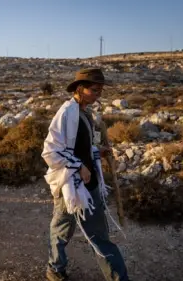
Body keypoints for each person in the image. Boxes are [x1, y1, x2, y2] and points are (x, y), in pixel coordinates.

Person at [41, 68, 129, 281]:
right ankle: (55, 269)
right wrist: (79, 166)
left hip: (89, 187)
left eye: (100, 90)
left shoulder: (85, 114)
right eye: (94, 90)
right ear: (80, 88)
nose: (98, 95)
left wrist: (97, 152)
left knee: (99, 237)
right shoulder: (66, 113)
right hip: (70, 186)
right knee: (61, 232)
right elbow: (51, 152)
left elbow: (79, 147)